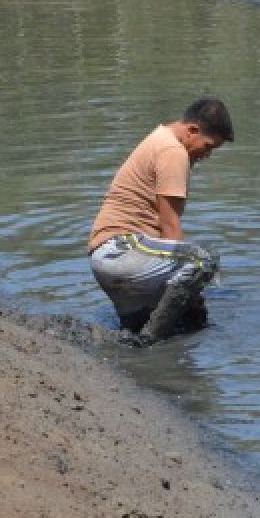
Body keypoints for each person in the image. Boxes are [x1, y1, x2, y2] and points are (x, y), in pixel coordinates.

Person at [89, 97, 234, 344]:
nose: (207, 156)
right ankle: (149, 340)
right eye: (208, 147)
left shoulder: (159, 138)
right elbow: (170, 227)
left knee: (180, 323)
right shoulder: (173, 151)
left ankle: (141, 346)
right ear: (192, 130)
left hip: (110, 258)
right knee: (203, 260)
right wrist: (194, 288)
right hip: (123, 253)